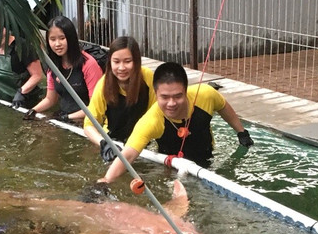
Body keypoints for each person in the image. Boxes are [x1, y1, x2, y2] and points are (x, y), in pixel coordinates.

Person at [97, 61, 253, 184]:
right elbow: (128, 154)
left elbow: (223, 107)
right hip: (171, 169)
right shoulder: (151, 121)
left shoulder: (205, 95)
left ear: (186, 90)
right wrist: (105, 181)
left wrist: (241, 132)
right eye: (164, 97)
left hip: (209, 160)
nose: (171, 103)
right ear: (156, 93)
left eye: (177, 96)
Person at [83, 36, 156, 162]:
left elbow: (157, 113)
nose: (121, 68)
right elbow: (89, 125)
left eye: (127, 61)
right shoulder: (103, 85)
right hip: (114, 143)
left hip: (143, 142)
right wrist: (104, 143)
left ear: (137, 61)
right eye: (116, 62)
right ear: (110, 62)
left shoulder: (148, 77)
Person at [26, 15, 102, 123]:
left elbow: (95, 107)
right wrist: (33, 110)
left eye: (62, 38)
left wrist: (67, 117)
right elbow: (50, 99)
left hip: (87, 120)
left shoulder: (89, 64)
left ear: (71, 38)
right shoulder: (53, 65)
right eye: (52, 39)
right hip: (63, 116)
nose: (57, 44)